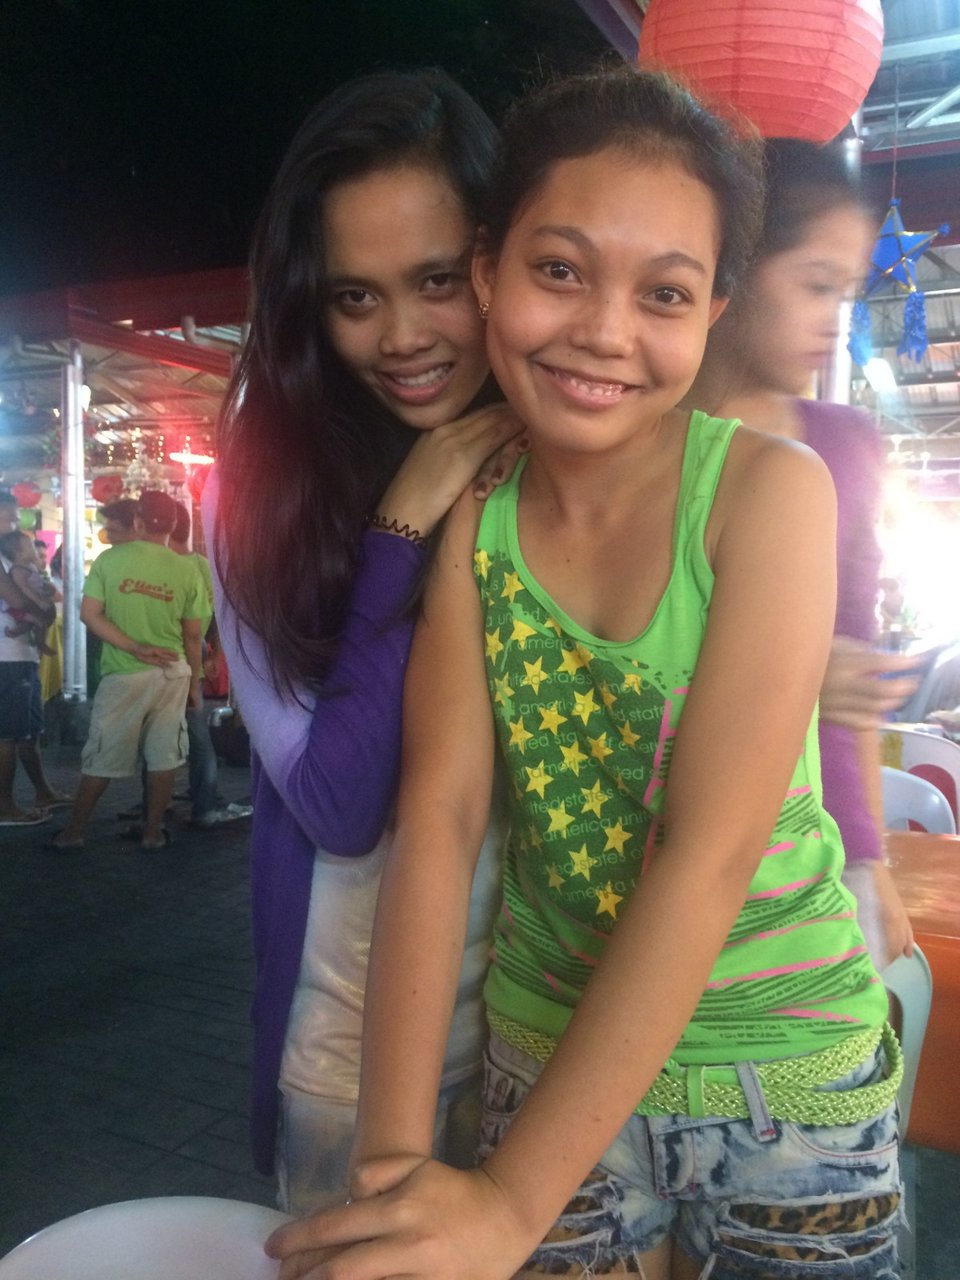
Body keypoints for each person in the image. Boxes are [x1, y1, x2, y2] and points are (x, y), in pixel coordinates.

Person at [268, 67, 902, 1280]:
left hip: (785, 1076)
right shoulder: (479, 518)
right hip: (542, 1053)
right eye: (560, 269)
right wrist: (396, 1169)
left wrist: (506, 1204)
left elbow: (709, 852)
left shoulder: (770, 495)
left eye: (664, 292)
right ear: (490, 270)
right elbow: (439, 815)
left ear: (714, 311)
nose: (606, 331)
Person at [203, 69, 521, 1213]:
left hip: (542, 1033)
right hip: (347, 1054)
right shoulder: (258, 495)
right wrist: (403, 528)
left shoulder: (564, 469)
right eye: (354, 296)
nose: (403, 337)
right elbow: (337, 803)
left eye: (435, 280)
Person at [686, 138, 917, 970]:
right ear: (739, 269)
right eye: (816, 285)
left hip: (821, 843)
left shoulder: (847, 446)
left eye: (845, 293)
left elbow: (854, 672)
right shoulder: (649, 440)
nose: (833, 318)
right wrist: (802, 671)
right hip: (670, 827)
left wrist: (871, 856)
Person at [50, 490, 204, 851]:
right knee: (164, 756)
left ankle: (75, 832)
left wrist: (135, 647)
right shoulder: (187, 568)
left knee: (102, 755)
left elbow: (89, 615)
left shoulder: (110, 560)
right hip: (173, 673)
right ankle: (152, 833)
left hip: (124, 673)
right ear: (173, 525)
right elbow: (193, 635)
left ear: (138, 521)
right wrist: (195, 685)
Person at [169, 500, 252, 828]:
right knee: (187, 731)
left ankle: (202, 801)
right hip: (189, 658)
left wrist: (214, 653)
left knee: (195, 731)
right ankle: (190, 798)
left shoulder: (198, 567)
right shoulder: (194, 565)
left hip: (186, 659)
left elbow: (217, 613)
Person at [0, 490, 67, 824]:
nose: (16, 523)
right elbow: (17, 600)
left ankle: (43, 791)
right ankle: (5, 806)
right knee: (8, 734)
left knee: (27, 729)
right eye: (10, 517)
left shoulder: (11, 561)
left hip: (21, 654)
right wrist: (41, 612)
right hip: (7, 656)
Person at [0, 530, 58, 654]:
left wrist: (47, 590)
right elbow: (23, 588)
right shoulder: (18, 570)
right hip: (24, 604)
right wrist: (37, 600)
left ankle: (39, 641)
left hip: (34, 601)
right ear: (19, 553)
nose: (34, 550)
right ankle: (27, 636)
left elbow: (38, 584)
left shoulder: (31, 567)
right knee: (34, 621)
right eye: (30, 546)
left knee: (40, 622)